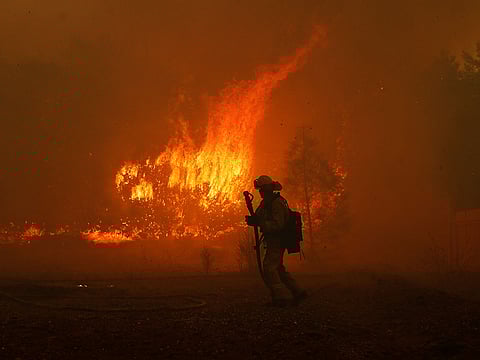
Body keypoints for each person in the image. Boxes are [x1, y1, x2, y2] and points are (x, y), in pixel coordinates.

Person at [245, 175, 308, 307]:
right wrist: (253, 220)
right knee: (278, 268)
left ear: (268, 188)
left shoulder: (277, 202)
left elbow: (278, 224)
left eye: (261, 189)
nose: (260, 192)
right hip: (273, 239)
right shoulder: (266, 203)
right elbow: (260, 217)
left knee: (269, 268)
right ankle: (298, 292)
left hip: (278, 239)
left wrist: (261, 223)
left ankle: (281, 298)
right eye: (259, 190)